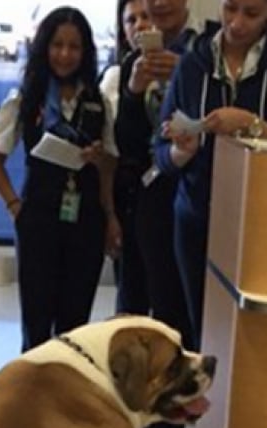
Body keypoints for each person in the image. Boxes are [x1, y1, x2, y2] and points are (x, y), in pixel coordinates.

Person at [156, 0, 267, 350]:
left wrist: (251, 124)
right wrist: (181, 151)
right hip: (197, 215)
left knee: (257, 334)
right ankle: (208, 403)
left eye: (252, 13)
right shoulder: (192, 61)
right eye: (230, 9)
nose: (237, 23)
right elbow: (160, 153)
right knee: (202, 326)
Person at [0, 7, 122, 353]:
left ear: (85, 51)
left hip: (86, 219)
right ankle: (32, 394)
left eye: (74, 47)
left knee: (75, 322)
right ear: (44, 47)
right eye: (57, 45)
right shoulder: (25, 99)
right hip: (39, 218)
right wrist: (15, 206)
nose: (64, 54)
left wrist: (109, 216)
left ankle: (66, 392)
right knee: (36, 318)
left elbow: (109, 165)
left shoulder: (98, 102)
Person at [114, 0, 199, 428]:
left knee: (172, 311)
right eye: (144, 7)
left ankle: (169, 417)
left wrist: (184, 73)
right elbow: (127, 141)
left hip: (187, 196)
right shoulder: (134, 63)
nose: (157, 8)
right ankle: (134, 407)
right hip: (143, 195)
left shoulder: (202, 54)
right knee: (133, 301)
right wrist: (133, 90)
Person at [100, 0, 153, 316]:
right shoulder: (114, 78)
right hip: (127, 191)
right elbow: (111, 148)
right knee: (130, 291)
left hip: (168, 190)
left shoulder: (182, 67)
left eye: (146, 17)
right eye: (131, 20)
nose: (139, 26)